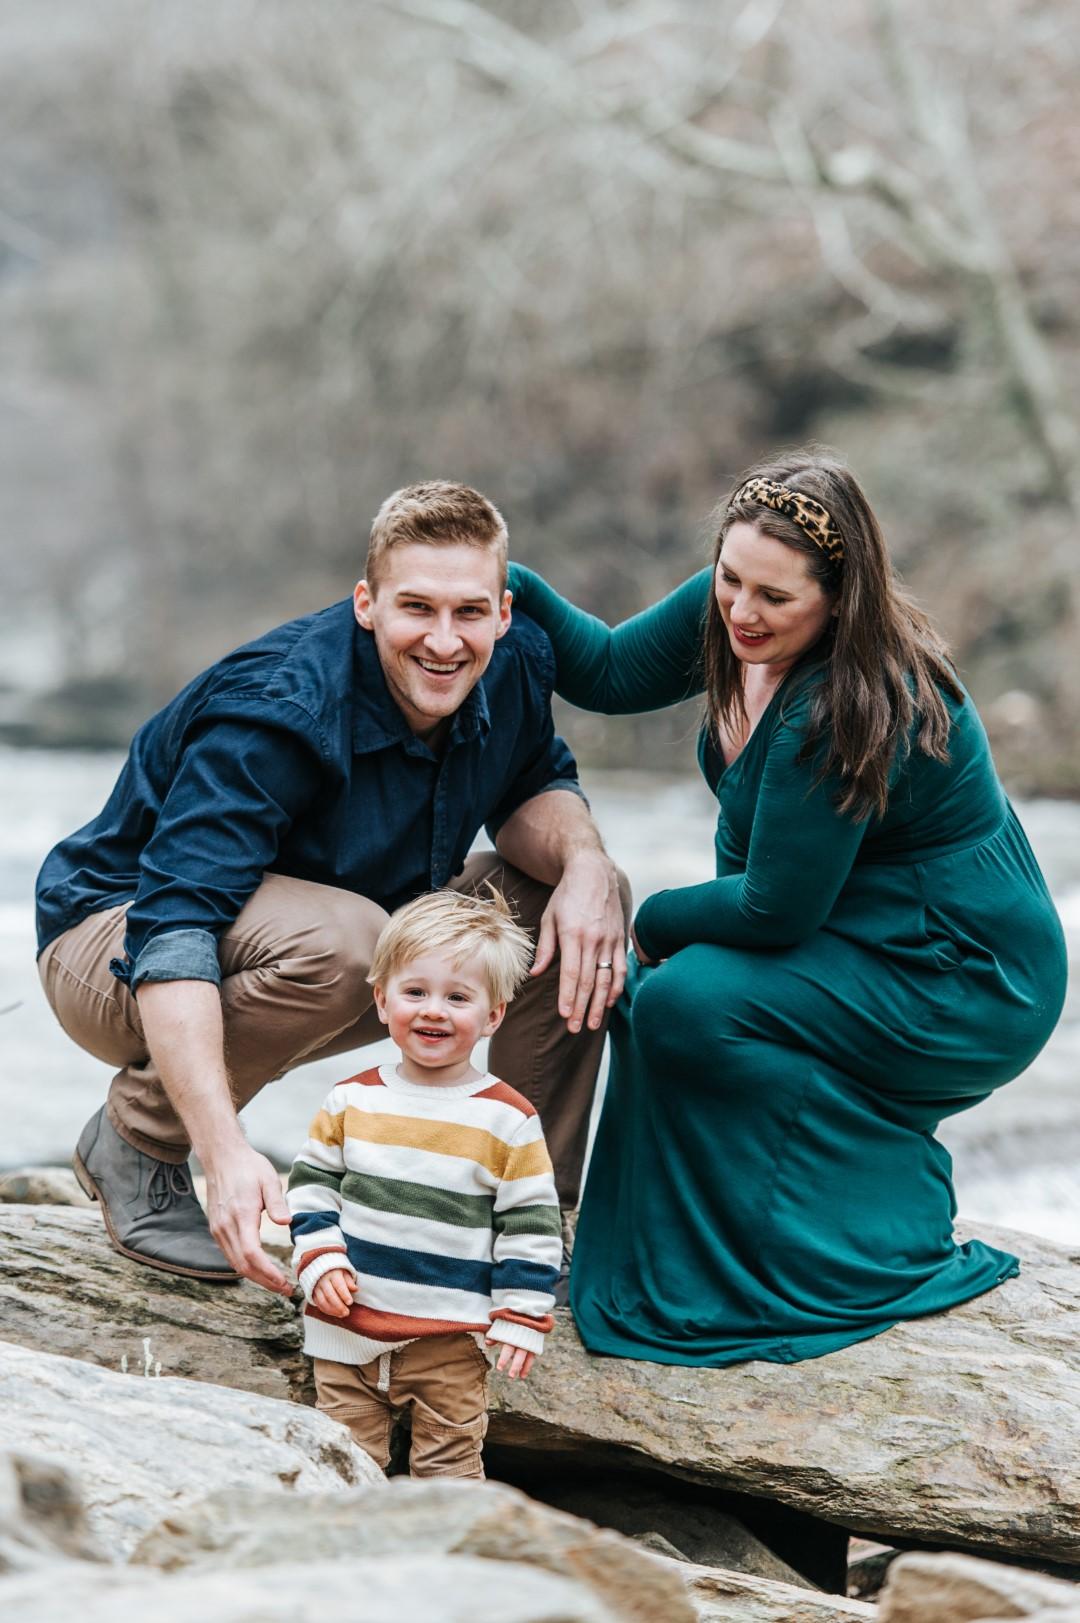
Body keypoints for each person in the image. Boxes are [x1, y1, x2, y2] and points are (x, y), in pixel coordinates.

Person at [507, 447, 1068, 1367]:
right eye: (730, 580)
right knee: (665, 1001)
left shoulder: (843, 703)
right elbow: (606, 671)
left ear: (840, 600)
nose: (741, 611)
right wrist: (502, 579)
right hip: (859, 921)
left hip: (963, 968)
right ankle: (701, 1246)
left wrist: (640, 918)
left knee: (679, 1002)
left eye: (774, 597)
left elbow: (772, 911)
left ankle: (874, 1222)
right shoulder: (733, 599)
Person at [35, 481, 628, 1291]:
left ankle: (517, 1218)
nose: (445, 641)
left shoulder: (516, 659)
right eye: (416, 608)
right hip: (113, 942)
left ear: (504, 609)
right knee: (351, 941)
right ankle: (136, 1139)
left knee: (571, 898)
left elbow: (533, 790)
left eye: (469, 612)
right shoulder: (279, 708)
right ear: (366, 604)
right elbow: (175, 928)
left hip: (337, 932)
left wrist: (589, 863)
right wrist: (223, 1150)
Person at [287, 887, 560, 1479]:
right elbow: (311, 1189)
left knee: (450, 1469)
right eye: (416, 992)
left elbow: (531, 1227)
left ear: (492, 1016)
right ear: (383, 1001)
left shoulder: (507, 1119)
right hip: (347, 1328)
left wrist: (522, 1314)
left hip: (450, 1341)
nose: (434, 1010)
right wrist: (319, 1259)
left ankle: (447, 1567)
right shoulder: (351, 1099)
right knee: (344, 1467)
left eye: (457, 997)